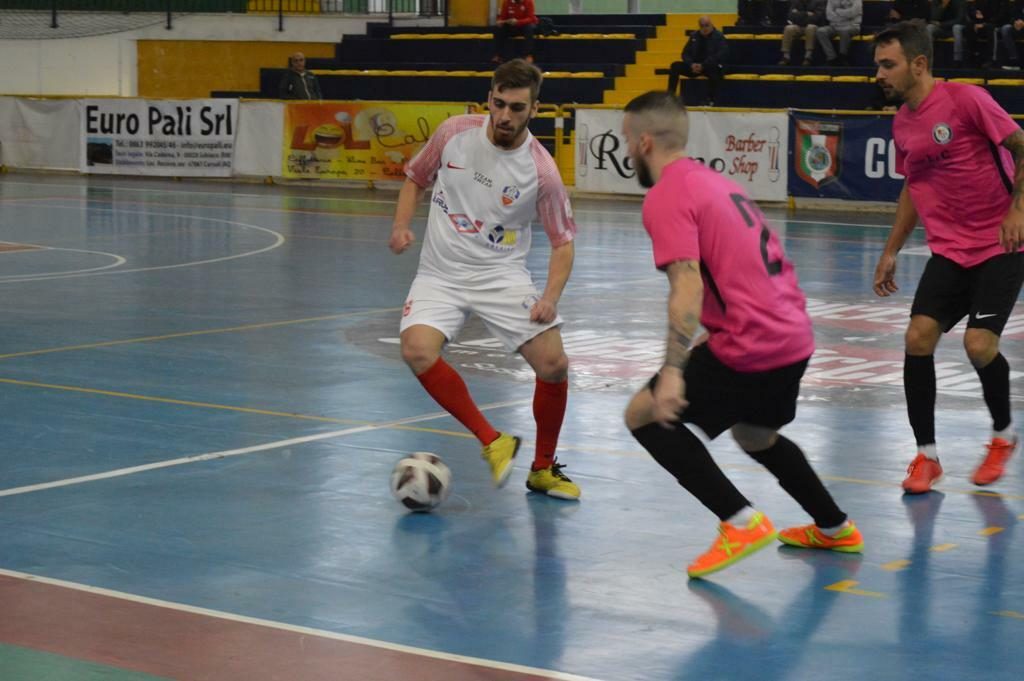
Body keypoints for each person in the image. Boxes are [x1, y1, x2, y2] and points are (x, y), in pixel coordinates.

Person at [620, 91, 864, 579]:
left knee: (643, 415)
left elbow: (687, 283)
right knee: (755, 433)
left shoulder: (667, 195)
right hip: (793, 335)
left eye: (628, 141)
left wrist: (672, 370)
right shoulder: (713, 181)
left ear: (644, 141)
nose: (628, 152)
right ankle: (836, 528)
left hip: (753, 342)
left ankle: (740, 522)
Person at [389, 59, 580, 500]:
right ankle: (493, 441)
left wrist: (549, 297)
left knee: (554, 365)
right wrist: (401, 225)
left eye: (516, 108)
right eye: (498, 104)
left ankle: (544, 469)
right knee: (417, 350)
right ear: (488, 98)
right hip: (440, 273)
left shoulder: (541, 171)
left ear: (535, 109)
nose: (504, 116)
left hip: (501, 275)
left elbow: (563, 242)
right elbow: (414, 178)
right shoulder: (454, 133)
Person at [872, 21, 1024, 493]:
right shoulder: (902, 123)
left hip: (1003, 242)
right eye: (877, 65)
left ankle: (1002, 436)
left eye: (887, 64)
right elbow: (913, 189)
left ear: (918, 64)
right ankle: (927, 457)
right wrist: (891, 250)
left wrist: (1018, 209)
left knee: (979, 344)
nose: (878, 74)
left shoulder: (966, 100)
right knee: (918, 337)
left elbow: (1022, 146)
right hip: (951, 249)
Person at [667, 16, 729, 106]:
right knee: (675, 66)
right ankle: (670, 97)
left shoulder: (719, 37)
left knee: (716, 71)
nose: (704, 28)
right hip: (694, 66)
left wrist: (703, 65)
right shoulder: (694, 36)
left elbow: (720, 55)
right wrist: (691, 64)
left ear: (711, 25)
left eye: (707, 25)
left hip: (709, 66)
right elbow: (685, 53)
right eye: (702, 26)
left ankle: (710, 99)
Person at [779, 0, 827, 65]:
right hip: (800, 26)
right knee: (788, 28)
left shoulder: (819, 1)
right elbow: (790, 16)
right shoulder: (796, 1)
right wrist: (806, 14)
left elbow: (817, 18)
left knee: (810, 27)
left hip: (814, 25)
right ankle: (786, 56)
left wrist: (798, 15)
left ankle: (808, 57)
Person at [816, 0, 863, 66]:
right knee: (821, 31)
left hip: (852, 26)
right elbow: (829, 15)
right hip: (835, 26)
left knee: (845, 31)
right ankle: (832, 58)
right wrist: (845, 17)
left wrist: (838, 11)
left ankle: (842, 57)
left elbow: (853, 13)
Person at [926, 0, 968, 66]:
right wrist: (943, 6)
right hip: (941, 29)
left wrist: (941, 24)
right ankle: (928, 56)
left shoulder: (959, 2)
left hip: (953, 29)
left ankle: (957, 59)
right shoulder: (936, 2)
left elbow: (959, 20)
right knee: (929, 27)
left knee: (956, 28)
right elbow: (934, 18)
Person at [998, 0, 1024, 68]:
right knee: (1005, 28)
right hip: (1018, 26)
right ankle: (1013, 59)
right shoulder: (1018, 3)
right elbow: (1012, 15)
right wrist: (1015, 23)